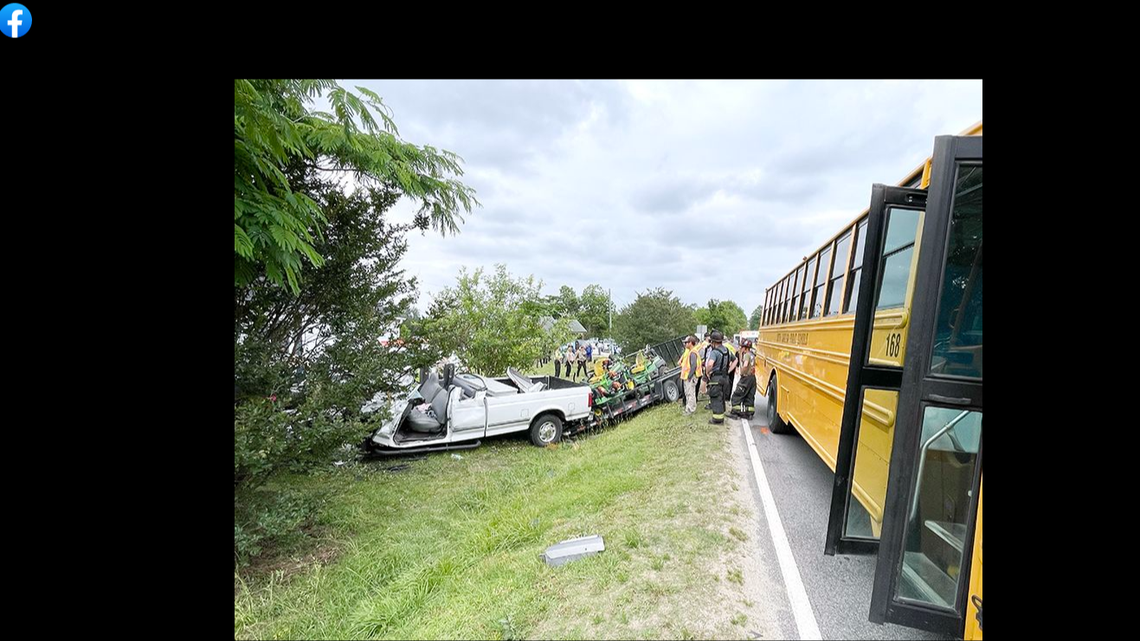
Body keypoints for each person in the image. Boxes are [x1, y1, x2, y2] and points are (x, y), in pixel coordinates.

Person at [704, 330, 733, 425]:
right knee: (721, 397)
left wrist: (707, 372)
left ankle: (717, 420)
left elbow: (710, 364)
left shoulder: (714, 352)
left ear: (713, 342)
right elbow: (736, 360)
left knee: (715, 398)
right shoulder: (727, 350)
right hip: (725, 378)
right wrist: (729, 370)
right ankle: (721, 416)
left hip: (716, 379)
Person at [730, 339, 757, 419]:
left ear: (745, 348)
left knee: (737, 395)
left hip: (746, 377)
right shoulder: (752, 354)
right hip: (752, 378)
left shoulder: (747, 355)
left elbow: (745, 365)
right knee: (749, 396)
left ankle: (735, 412)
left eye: (742, 347)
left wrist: (742, 372)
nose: (740, 348)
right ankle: (749, 413)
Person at [679, 335, 702, 415]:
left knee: (690, 393)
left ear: (690, 343)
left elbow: (693, 365)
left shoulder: (692, 353)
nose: (685, 344)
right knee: (688, 393)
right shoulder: (690, 351)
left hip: (690, 377)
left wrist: (689, 376)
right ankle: (689, 408)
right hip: (687, 376)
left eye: (686, 342)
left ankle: (690, 409)